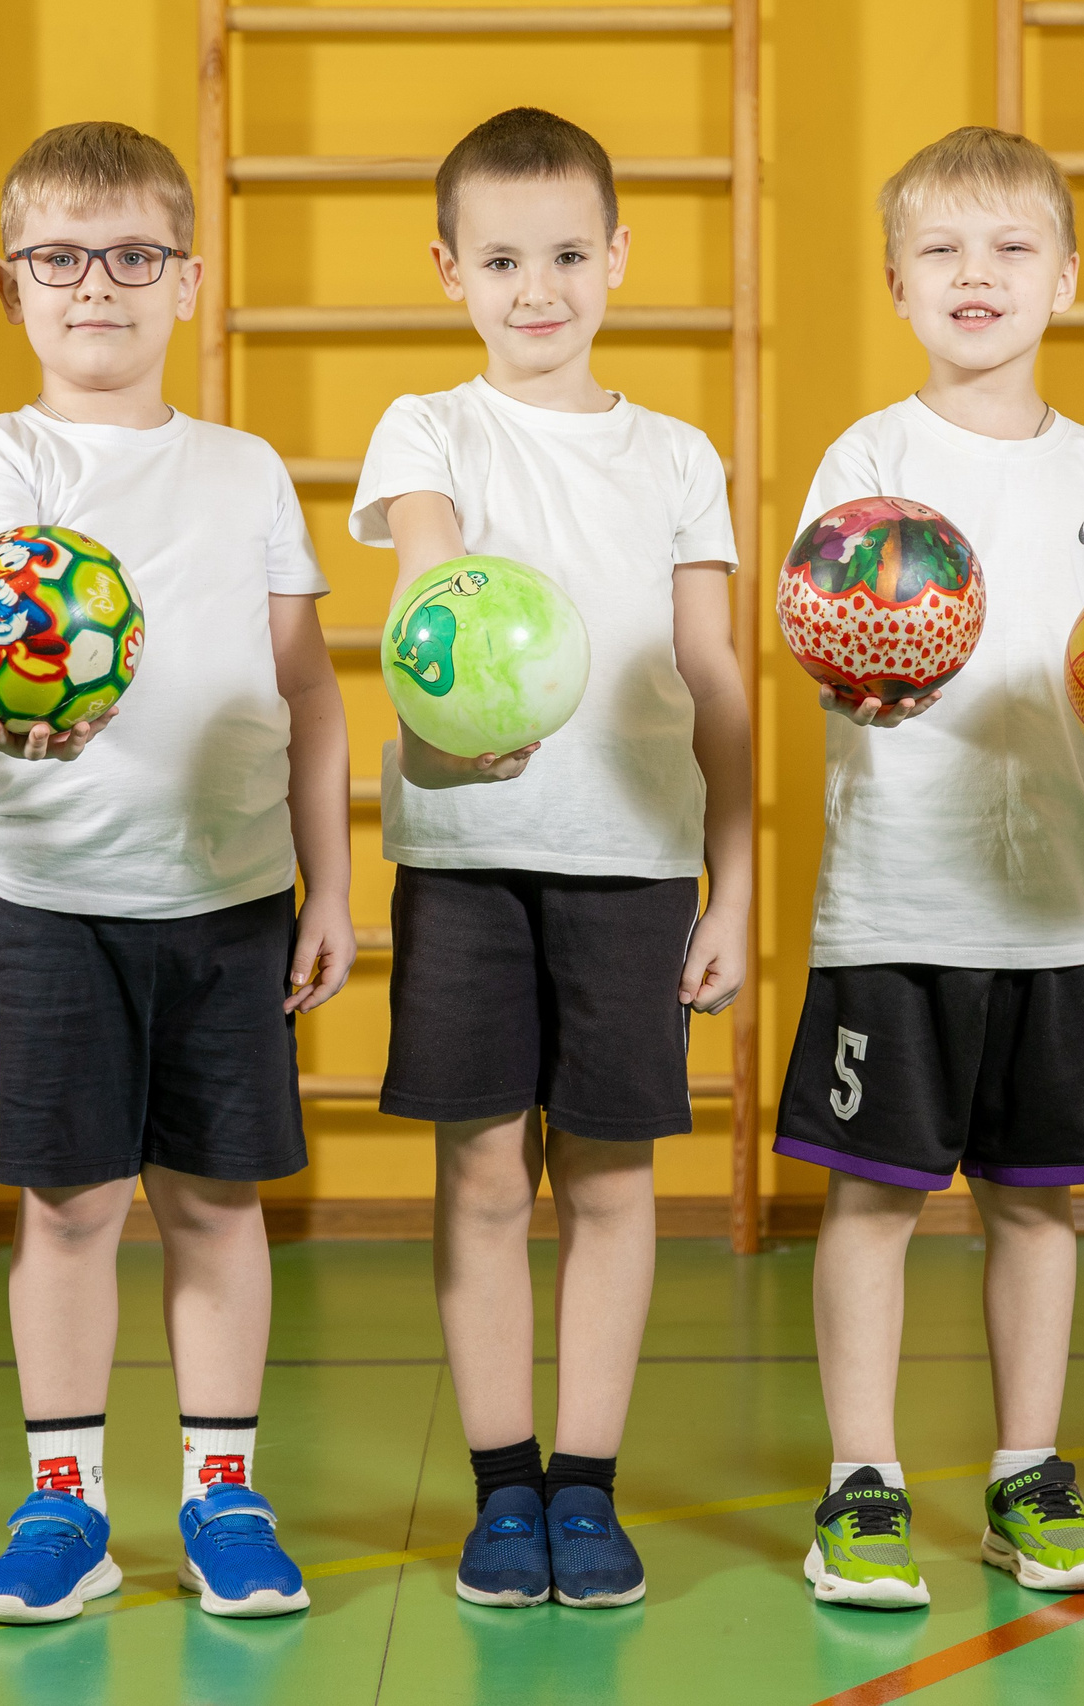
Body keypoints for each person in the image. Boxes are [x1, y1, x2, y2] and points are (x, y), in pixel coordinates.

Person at [0, 121, 355, 1624]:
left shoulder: (242, 471)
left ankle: (222, 1489)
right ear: (13, 286)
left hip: (230, 896)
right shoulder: (2, 455)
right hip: (57, 895)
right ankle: (65, 1504)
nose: (95, 285)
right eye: (60, 258)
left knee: (218, 1205)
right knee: (65, 1208)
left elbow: (308, 689)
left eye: (131, 257)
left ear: (189, 277)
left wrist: (335, 884)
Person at [776, 129, 1084, 1611]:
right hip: (897, 903)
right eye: (944, 250)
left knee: (1035, 1201)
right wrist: (854, 675)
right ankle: (862, 1485)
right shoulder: (869, 460)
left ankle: (1028, 1475)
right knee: (874, 1200)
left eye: (1012, 248)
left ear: (1065, 280)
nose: (978, 275)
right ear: (896, 281)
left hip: (1065, 912)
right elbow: (825, 634)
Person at [349, 106, 752, 1610]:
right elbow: (433, 589)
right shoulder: (429, 427)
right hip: (466, 852)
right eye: (504, 258)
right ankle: (501, 1487)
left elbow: (713, 669)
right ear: (450, 267)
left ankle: (585, 1488)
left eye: (570, 254)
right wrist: (456, 732)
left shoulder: (680, 454)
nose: (539, 288)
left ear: (619, 260)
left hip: (635, 863)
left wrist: (739, 878)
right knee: (478, 1178)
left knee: (610, 1176)